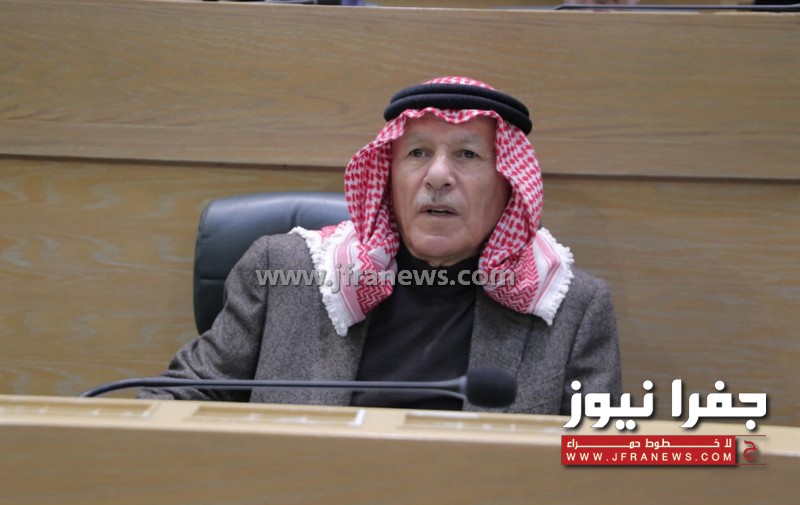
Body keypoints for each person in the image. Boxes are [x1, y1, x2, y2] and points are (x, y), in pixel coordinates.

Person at [138, 76, 622, 414]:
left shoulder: (571, 308)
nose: (437, 176)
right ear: (388, 179)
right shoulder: (286, 273)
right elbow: (173, 401)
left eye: (468, 155)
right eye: (417, 153)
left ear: (509, 186)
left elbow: (601, 456)